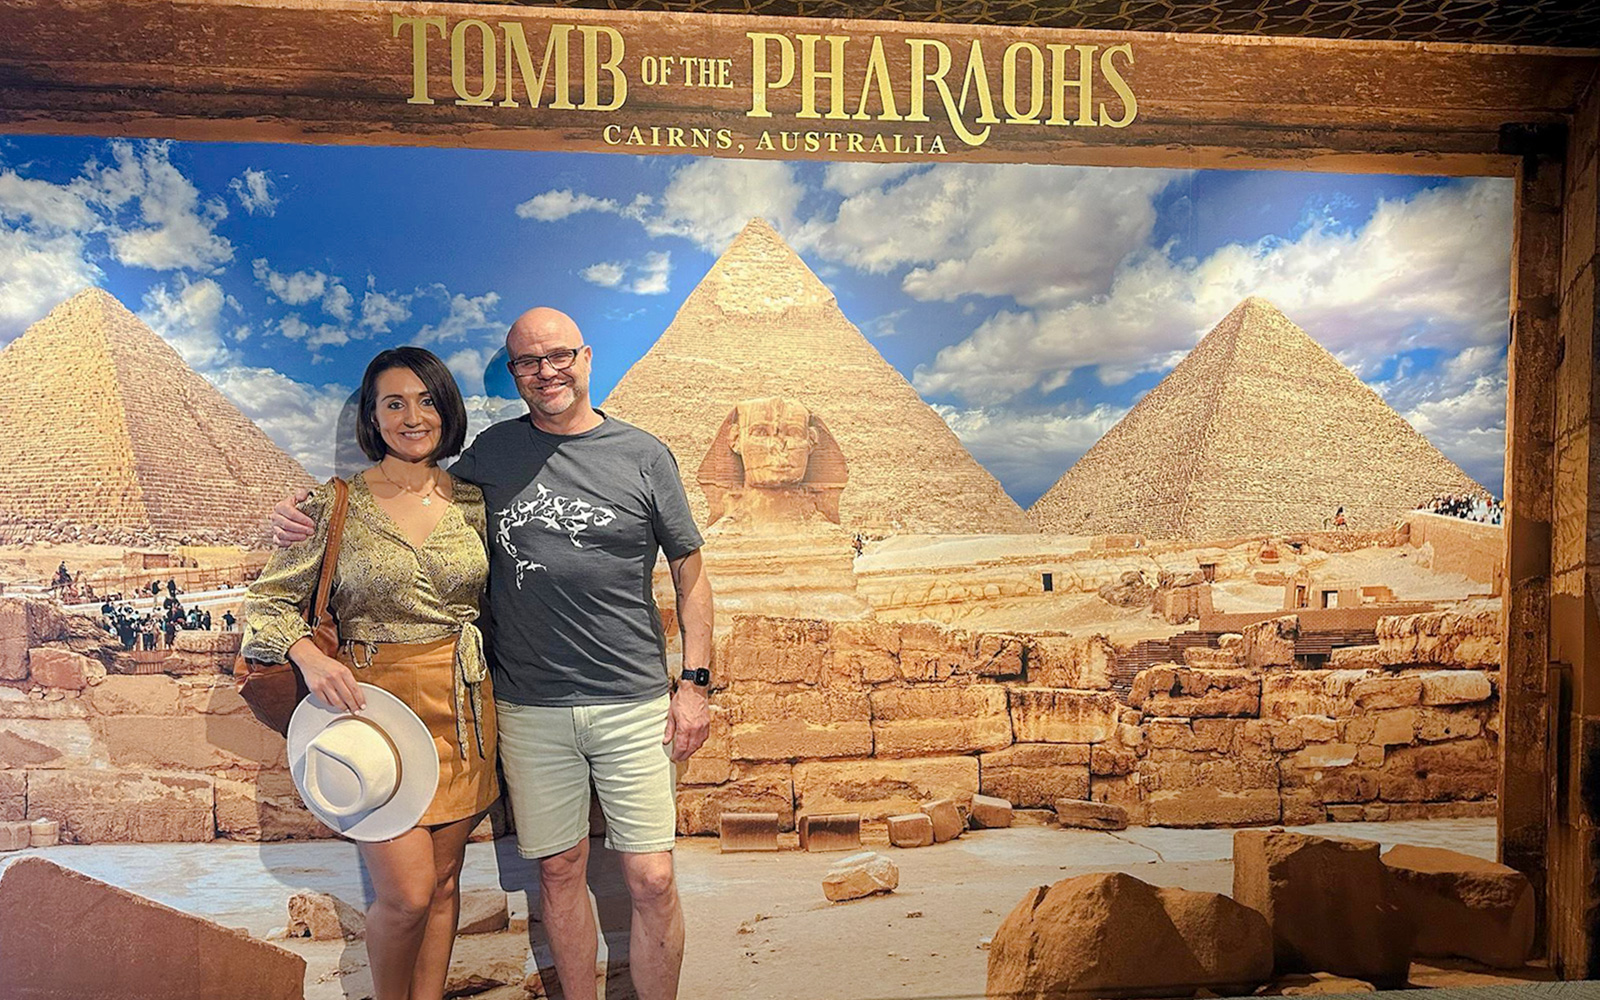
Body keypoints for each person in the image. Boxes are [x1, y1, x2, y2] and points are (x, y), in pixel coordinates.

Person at [276, 307, 714, 1000]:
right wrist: (288, 526)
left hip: (584, 704)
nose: (547, 371)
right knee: (510, 877)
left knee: (644, 879)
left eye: (559, 355)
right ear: (512, 374)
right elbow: (288, 585)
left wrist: (695, 683)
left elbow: (691, 571)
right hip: (474, 707)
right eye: (528, 362)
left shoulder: (612, 460)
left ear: (587, 356)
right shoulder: (472, 468)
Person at [245, 347, 499, 1000]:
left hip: (464, 706)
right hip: (372, 709)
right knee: (408, 893)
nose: (412, 416)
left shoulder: (475, 501)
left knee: (445, 887)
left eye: (426, 399)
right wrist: (309, 654)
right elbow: (268, 603)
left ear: (447, 408)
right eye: (394, 403)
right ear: (372, 416)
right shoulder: (332, 506)